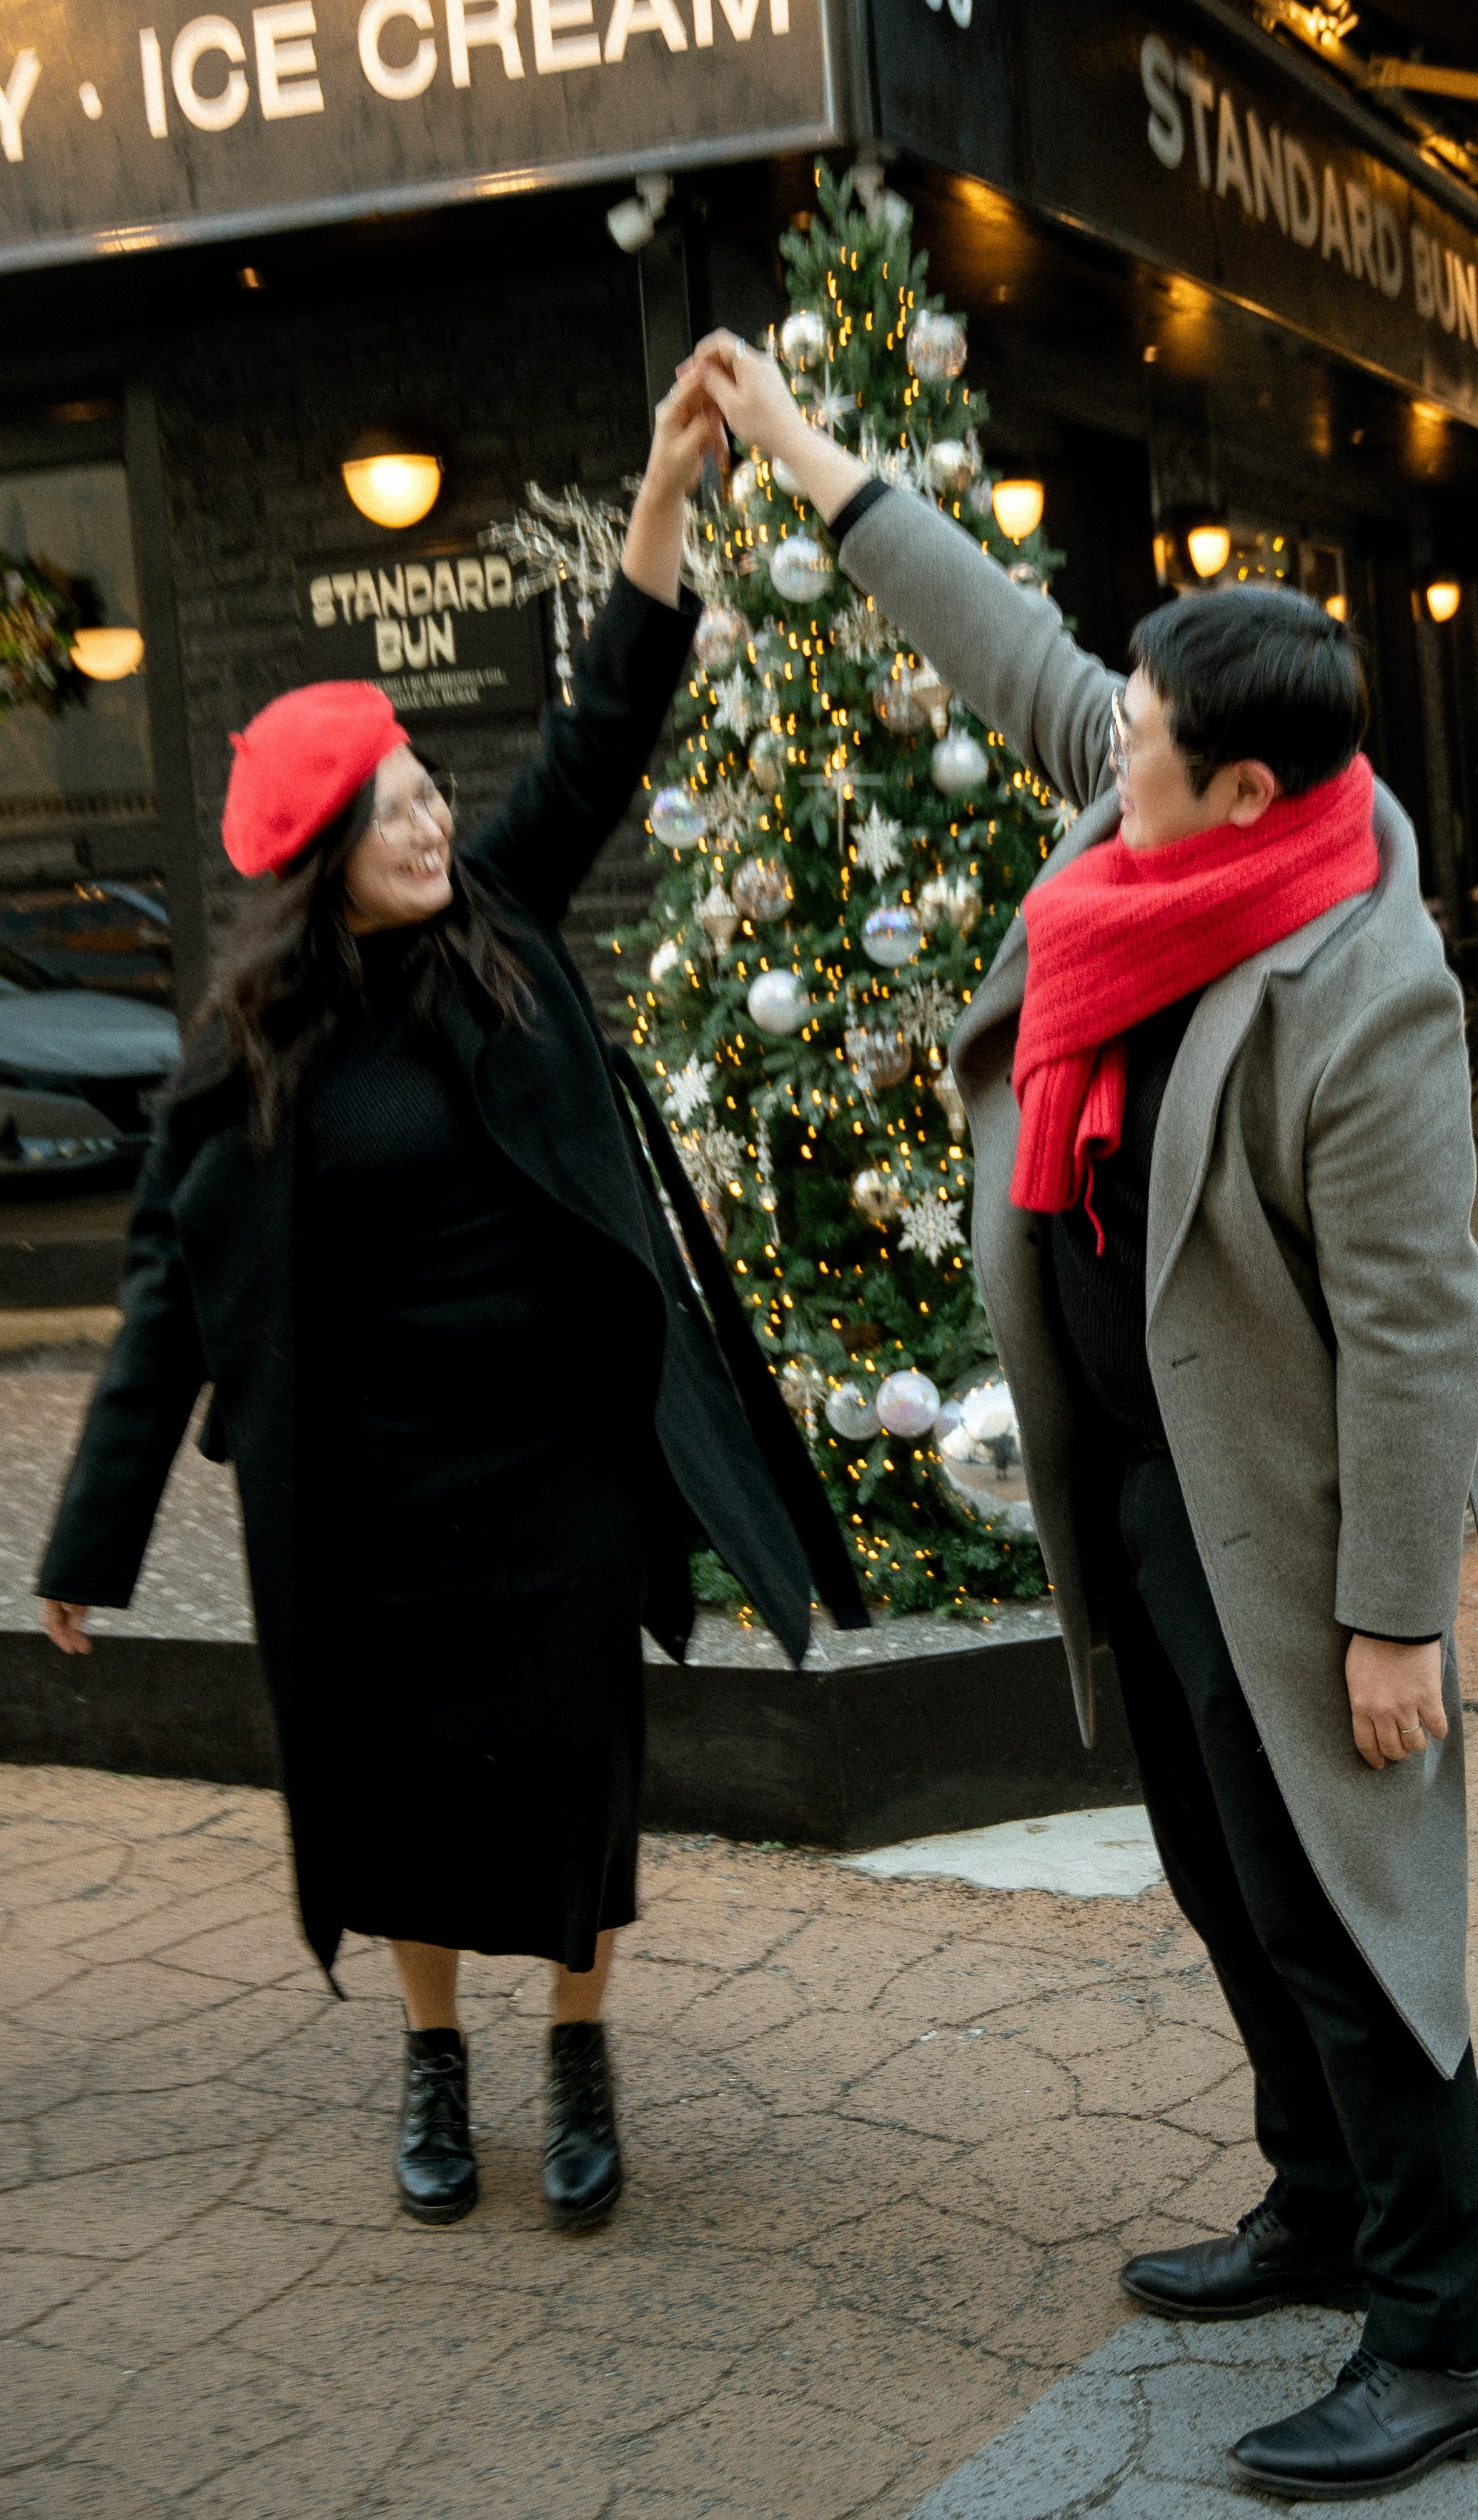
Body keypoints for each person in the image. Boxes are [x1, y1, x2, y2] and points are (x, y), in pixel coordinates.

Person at [692, 328, 1478, 2499]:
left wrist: (1390, 1620)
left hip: (1288, 1519)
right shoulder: (1152, 823)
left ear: (1245, 791)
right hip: (1151, 1492)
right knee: (1217, 1870)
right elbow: (1006, 646)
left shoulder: (1359, 981)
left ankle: (1446, 2341)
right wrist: (801, 449)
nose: (1111, 739)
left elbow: (1424, 1321)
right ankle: (1323, 2207)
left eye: (1148, 732)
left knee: (1349, 1909)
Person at [38, 376, 864, 2235]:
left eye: (425, 793)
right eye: (392, 812)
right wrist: (91, 1540)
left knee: (573, 1760)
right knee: (402, 1777)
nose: (428, 825)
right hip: (371, 1477)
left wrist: (662, 490)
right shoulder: (255, 1050)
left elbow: (609, 714)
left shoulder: (503, 916)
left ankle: (577, 2047)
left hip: (554, 1455)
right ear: (317, 853)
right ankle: (434, 2059)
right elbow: (170, 1296)